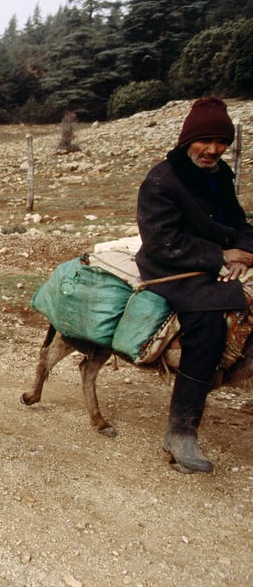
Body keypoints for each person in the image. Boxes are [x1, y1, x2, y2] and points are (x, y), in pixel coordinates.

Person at [135, 97, 253, 474]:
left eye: (222, 141)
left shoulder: (219, 175)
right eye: (206, 140)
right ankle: (181, 431)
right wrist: (220, 257)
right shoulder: (161, 180)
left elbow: (240, 223)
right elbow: (161, 241)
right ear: (188, 140)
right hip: (171, 266)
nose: (214, 149)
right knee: (207, 323)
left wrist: (245, 252)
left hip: (216, 258)